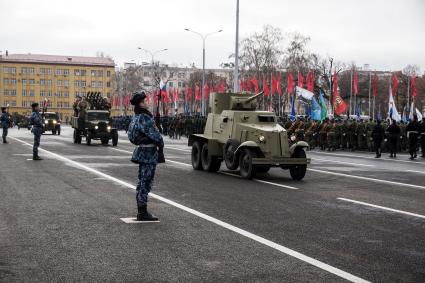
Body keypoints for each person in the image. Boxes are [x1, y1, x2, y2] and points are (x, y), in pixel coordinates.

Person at [128, 91, 164, 221]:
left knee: (142, 180)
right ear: (141, 103)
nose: (148, 102)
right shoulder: (144, 117)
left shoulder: (137, 117)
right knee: (146, 181)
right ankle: (142, 212)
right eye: (145, 101)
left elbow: (131, 136)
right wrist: (160, 140)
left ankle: (141, 210)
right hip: (148, 154)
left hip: (143, 152)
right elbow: (156, 135)